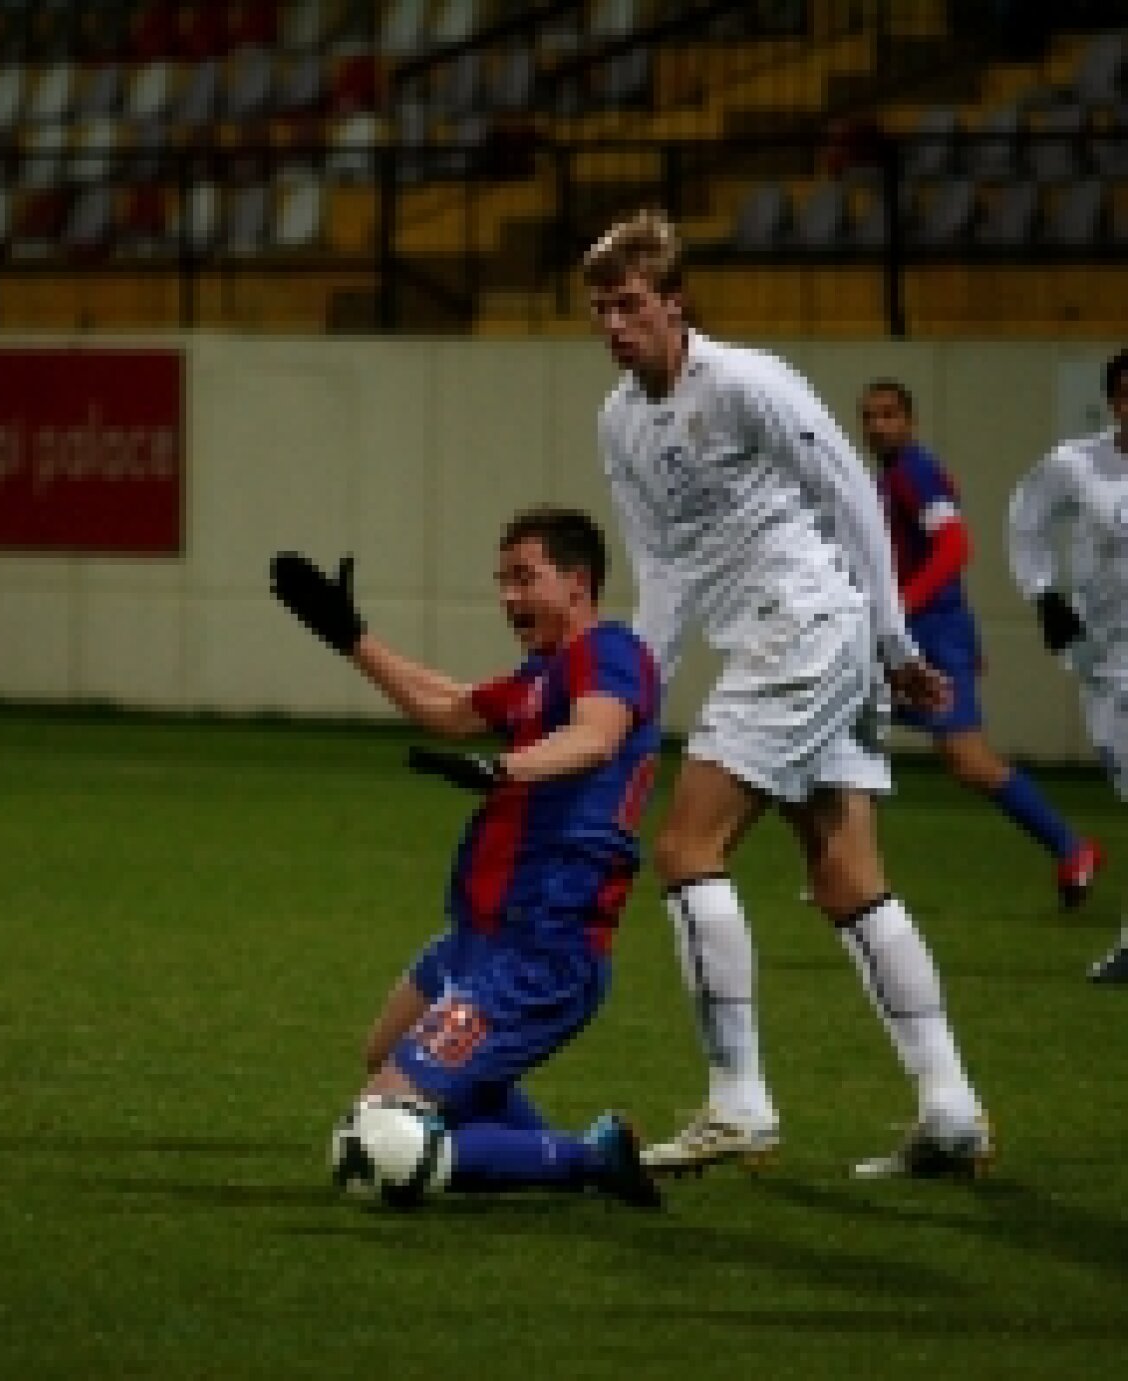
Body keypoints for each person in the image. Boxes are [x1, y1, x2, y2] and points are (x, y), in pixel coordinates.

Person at [581, 208, 991, 1179]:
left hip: (806, 629)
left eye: (631, 304)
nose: (613, 324)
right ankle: (951, 1107)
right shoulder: (619, 421)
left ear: (675, 304)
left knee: (685, 849)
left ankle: (739, 1102)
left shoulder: (748, 383)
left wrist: (893, 637)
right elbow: (665, 568)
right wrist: (637, 689)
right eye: (600, 308)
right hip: (787, 640)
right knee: (847, 877)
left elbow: (851, 493)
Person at [270, 507, 665, 1204]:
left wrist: (505, 769)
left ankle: (587, 1157)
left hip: (541, 947)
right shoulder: (544, 673)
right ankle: (579, 1155)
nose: (509, 596)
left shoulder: (609, 653)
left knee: (388, 1123)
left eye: (525, 577)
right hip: (478, 938)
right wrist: (350, 636)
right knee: (385, 1055)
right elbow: (449, 705)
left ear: (578, 582)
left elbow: (596, 737)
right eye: (501, 580)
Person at [860, 378, 1101, 906]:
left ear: (910, 421)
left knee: (967, 761)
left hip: (928, 637)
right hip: (927, 632)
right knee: (851, 735)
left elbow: (954, 547)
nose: (878, 425)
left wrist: (905, 613)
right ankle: (854, 871)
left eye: (889, 415)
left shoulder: (914, 474)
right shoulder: (897, 475)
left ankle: (1071, 847)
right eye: (870, 416)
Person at [1008, 347, 1128, 983]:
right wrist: (1044, 594)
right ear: (1114, 402)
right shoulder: (1077, 465)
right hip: (1103, 660)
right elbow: (1026, 522)